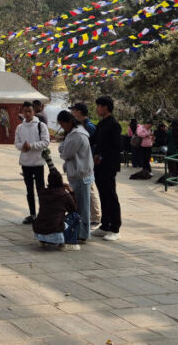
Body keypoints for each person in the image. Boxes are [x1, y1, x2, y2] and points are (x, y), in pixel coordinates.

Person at [56, 109, 92, 246]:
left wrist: (63, 149)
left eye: (63, 124)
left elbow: (65, 152)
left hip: (81, 173)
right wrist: (63, 148)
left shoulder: (77, 135)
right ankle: (78, 231)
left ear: (69, 122)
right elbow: (63, 148)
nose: (62, 128)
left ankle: (83, 233)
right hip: (76, 172)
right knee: (78, 204)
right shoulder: (72, 133)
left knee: (82, 206)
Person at [90, 96, 122, 241]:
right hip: (99, 165)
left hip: (109, 165)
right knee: (103, 194)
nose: (97, 109)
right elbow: (94, 140)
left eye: (99, 106)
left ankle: (115, 228)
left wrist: (101, 156)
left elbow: (115, 147)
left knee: (110, 195)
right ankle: (105, 225)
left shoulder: (114, 125)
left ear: (106, 107)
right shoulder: (101, 124)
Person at [14, 101, 49, 224]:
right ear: (22, 112)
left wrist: (32, 146)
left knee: (41, 190)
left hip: (38, 163)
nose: (28, 114)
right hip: (26, 163)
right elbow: (17, 143)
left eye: (30, 111)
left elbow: (46, 142)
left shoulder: (40, 126)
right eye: (25, 111)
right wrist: (22, 147)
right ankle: (32, 214)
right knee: (29, 191)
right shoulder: (20, 127)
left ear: (34, 112)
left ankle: (43, 213)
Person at [71, 103, 103, 229]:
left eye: (74, 111)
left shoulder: (89, 126)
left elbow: (95, 143)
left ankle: (95, 217)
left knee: (90, 188)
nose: (73, 113)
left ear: (78, 112)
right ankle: (91, 216)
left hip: (89, 161)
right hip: (83, 161)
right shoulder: (80, 125)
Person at [32, 169, 79, 250]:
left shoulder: (42, 193)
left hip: (40, 230)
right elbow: (74, 208)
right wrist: (71, 192)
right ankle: (69, 243)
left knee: (51, 215)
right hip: (54, 231)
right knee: (75, 216)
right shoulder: (64, 195)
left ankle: (44, 242)